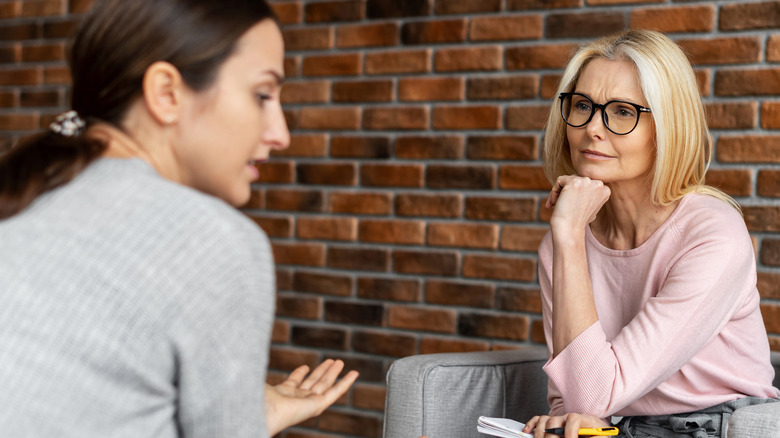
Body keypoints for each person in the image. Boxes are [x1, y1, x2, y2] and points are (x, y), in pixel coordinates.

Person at [0, 0, 357, 436]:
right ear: (166, 93)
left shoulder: (29, 197)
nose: (279, 134)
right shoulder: (215, 242)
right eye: (262, 95)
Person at [522, 29, 779, 438]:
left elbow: (592, 396)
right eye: (583, 105)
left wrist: (568, 235)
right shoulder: (563, 243)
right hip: (617, 427)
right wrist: (564, 420)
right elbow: (574, 397)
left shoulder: (711, 235)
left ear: (667, 127)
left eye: (623, 111)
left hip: (717, 425)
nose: (592, 128)